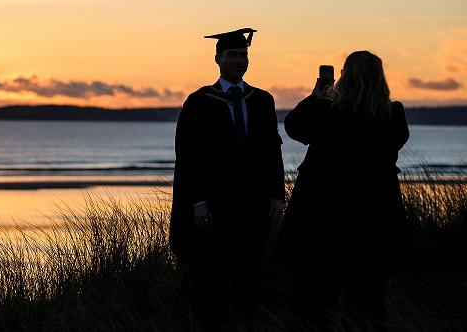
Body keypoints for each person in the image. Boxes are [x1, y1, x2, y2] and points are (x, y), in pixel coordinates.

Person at [274, 51, 410, 331]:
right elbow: (396, 143)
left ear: (345, 76)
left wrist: (317, 96)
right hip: (374, 216)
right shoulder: (392, 113)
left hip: (323, 216)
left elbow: (294, 128)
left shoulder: (327, 110)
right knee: (367, 301)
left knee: (311, 302)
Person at [169, 28, 285, 330]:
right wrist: (199, 201)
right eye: (233, 55)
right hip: (214, 204)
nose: (240, 61)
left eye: (244, 55)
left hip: (253, 203)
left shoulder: (261, 100)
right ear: (218, 58)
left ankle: (242, 323)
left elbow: (273, 148)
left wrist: (276, 194)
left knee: (247, 274)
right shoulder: (199, 101)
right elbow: (189, 156)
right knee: (209, 274)